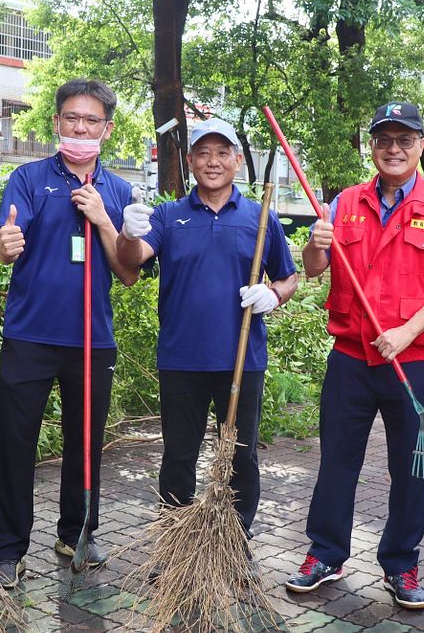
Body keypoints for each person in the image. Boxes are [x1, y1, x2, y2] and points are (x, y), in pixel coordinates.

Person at [285, 102, 424, 609]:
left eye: (405, 139)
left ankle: (401, 564)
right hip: (350, 359)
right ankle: (325, 553)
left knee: (412, 469)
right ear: (372, 146)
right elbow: (314, 268)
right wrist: (315, 244)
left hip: (412, 363)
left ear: (420, 145)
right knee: (337, 461)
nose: (394, 149)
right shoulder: (345, 202)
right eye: (384, 140)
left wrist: (407, 332)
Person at [0, 78, 139, 588]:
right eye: (72, 117)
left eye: (91, 120)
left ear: (107, 129)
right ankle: (8, 550)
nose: (81, 127)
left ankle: (77, 533)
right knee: (15, 442)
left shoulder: (119, 192)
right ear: (56, 122)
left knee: (86, 444)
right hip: (30, 334)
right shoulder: (28, 178)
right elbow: (5, 243)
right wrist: (3, 245)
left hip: (93, 339)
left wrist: (103, 220)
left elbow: (129, 272)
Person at [115, 117, 298, 543]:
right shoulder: (169, 215)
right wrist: (127, 233)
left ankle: (234, 543)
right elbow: (131, 258)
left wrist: (273, 294)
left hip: (242, 359)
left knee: (240, 457)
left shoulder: (259, 217)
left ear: (237, 160)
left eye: (222, 153)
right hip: (181, 359)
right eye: (203, 153)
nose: (212, 162)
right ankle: (174, 544)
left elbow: (288, 277)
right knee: (179, 456)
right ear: (190, 161)